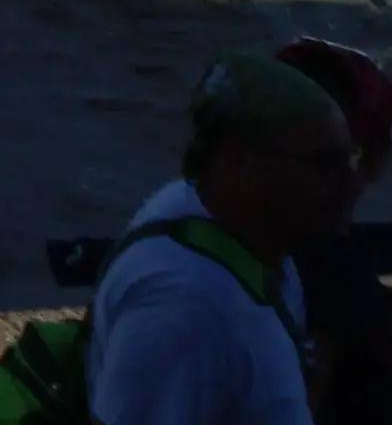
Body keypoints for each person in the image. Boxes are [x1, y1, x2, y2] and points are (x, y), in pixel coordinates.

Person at [85, 49, 366, 425]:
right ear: (238, 163)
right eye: (325, 164)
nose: (353, 185)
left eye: (352, 159)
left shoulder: (241, 238)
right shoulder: (187, 309)